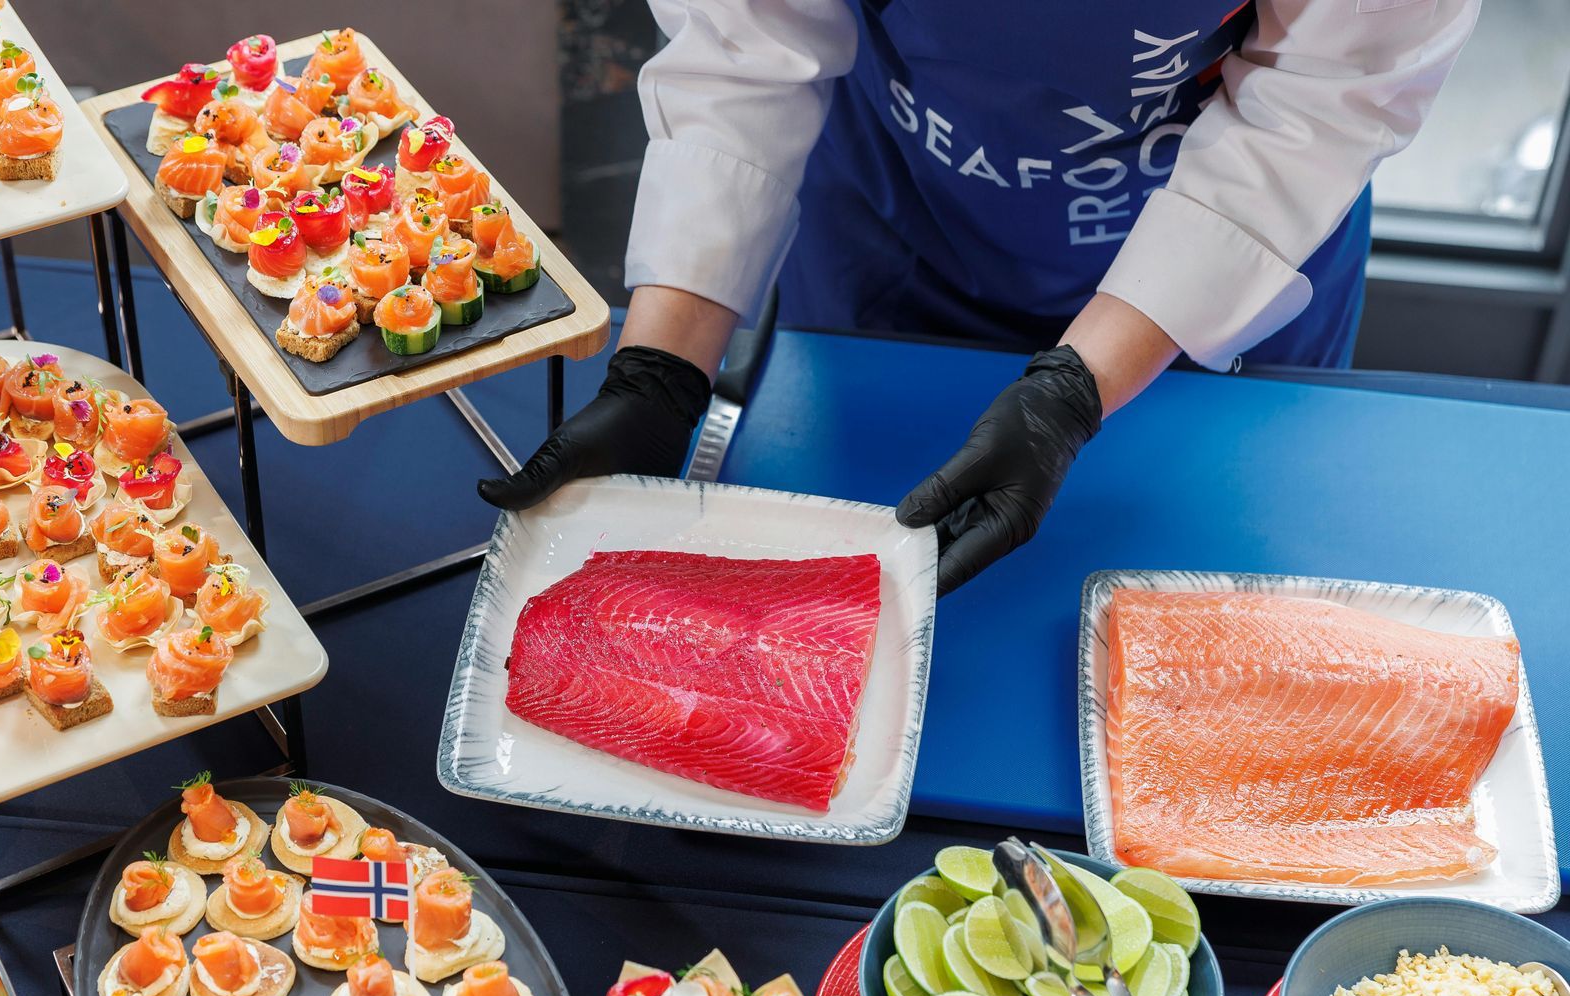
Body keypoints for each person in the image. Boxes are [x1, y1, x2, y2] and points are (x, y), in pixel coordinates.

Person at [479, 0, 1479, 593]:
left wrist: (1074, 392)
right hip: (901, 218)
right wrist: (662, 368)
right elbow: (747, 45)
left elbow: (1316, 110)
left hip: (1230, 254)